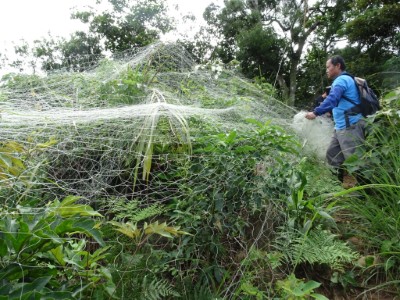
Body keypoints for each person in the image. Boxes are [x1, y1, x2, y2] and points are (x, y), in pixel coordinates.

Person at [305, 55, 365, 189]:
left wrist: (315, 112)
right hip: (340, 127)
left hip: (351, 126)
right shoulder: (342, 80)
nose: (327, 70)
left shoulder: (342, 80)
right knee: (332, 155)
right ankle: (336, 187)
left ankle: (366, 192)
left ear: (337, 66)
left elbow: (332, 99)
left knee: (355, 161)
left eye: (328, 67)